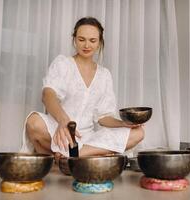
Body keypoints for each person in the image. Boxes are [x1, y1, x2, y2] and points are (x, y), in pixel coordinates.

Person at [20, 17, 144, 160]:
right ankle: (93, 154)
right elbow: (47, 94)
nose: (86, 45)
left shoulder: (104, 75)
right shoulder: (63, 64)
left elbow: (103, 117)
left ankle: (72, 155)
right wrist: (63, 121)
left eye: (92, 40)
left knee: (138, 133)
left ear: (99, 43)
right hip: (60, 130)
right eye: (81, 39)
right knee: (33, 122)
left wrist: (124, 124)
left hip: (88, 139)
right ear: (74, 40)